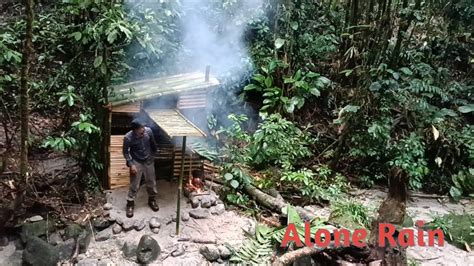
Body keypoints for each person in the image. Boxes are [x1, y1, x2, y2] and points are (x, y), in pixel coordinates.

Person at [123, 118, 159, 218]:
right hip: (136, 161)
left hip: (148, 160)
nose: (143, 129)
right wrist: (131, 164)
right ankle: (130, 204)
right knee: (134, 184)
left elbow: (153, 144)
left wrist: (154, 155)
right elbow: (126, 152)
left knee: (151, 182)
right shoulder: (128, 138)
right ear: (135, 130)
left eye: (143, 127)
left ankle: (152, 200)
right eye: (141, 128)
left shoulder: (149, 132)